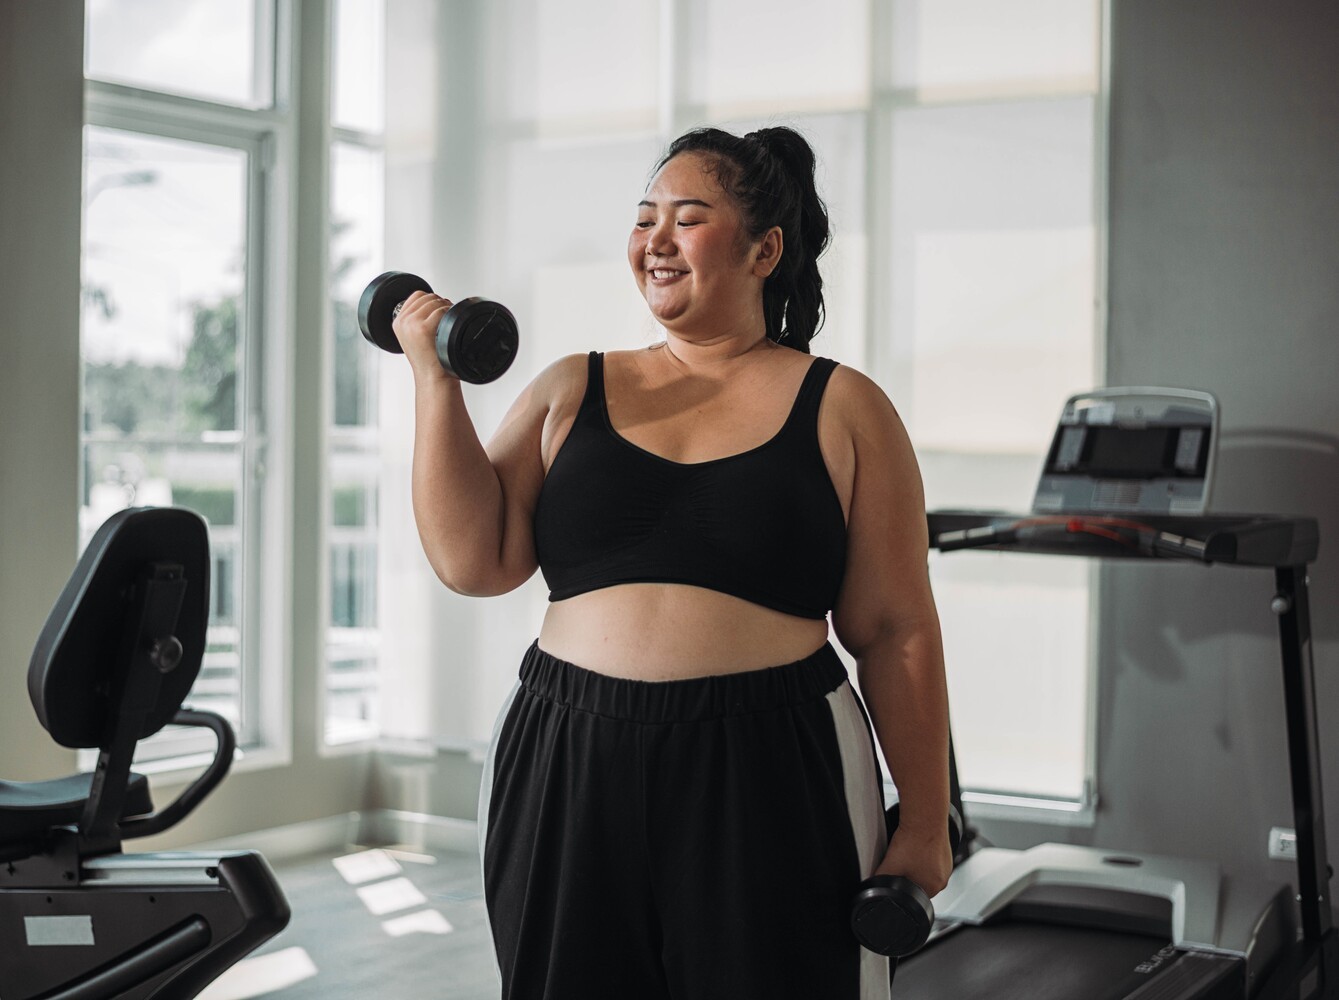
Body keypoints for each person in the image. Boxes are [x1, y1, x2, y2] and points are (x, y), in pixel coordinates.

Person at [393, 125, 951, 1000]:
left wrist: (923, 818)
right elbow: (474, 560)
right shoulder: (570, 386)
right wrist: (435, 383)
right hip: (567, 745)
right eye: (644, 216)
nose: (654, 239)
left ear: (765, 248)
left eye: (686, 218)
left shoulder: (843, 406)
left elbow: (893, 629)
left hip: (771, 755)